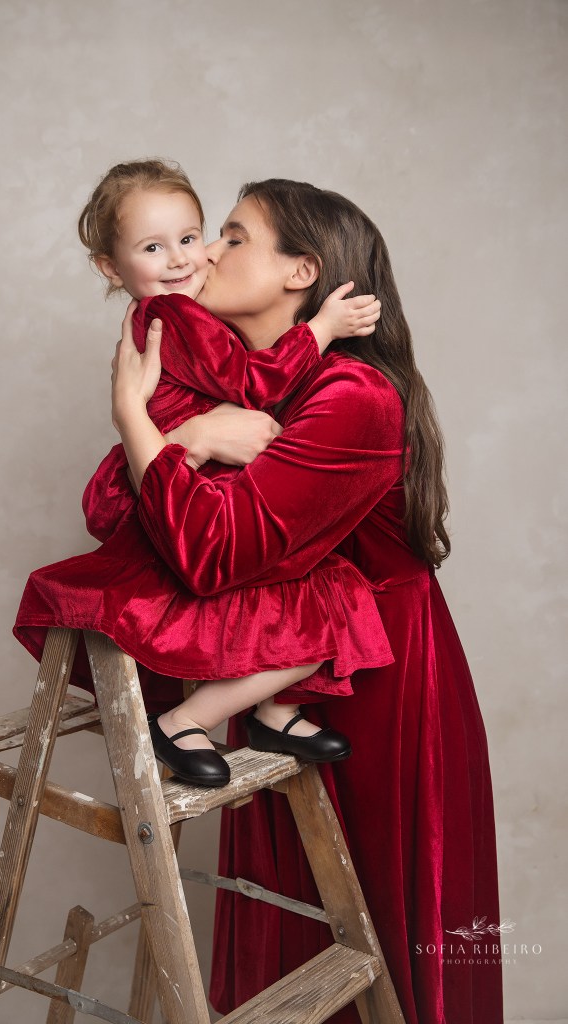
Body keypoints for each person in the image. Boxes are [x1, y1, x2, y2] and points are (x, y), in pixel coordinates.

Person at [110, 178, 503, 1024]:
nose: (205, 252)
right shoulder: (248, 384)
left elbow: (209, 553)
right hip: (278, 671)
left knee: (389, 945)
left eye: (232, 235)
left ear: (301, 273)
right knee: (290, 935)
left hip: (378, 682)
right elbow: (114, 509)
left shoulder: (349, 395)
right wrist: (185, 433)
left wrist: (136, 420)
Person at [14, 158, 391, 788]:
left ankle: (272, 710)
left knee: (305, 593)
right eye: (154, 247)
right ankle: (189, 721)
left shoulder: (189, 319)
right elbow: (254, 382)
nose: (198, 257)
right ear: (111, 267)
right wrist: (321, 329)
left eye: (197, 238)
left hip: (188, 476)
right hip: (185, 491)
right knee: (324, 597)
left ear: (302, 271)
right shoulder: (179, 317)